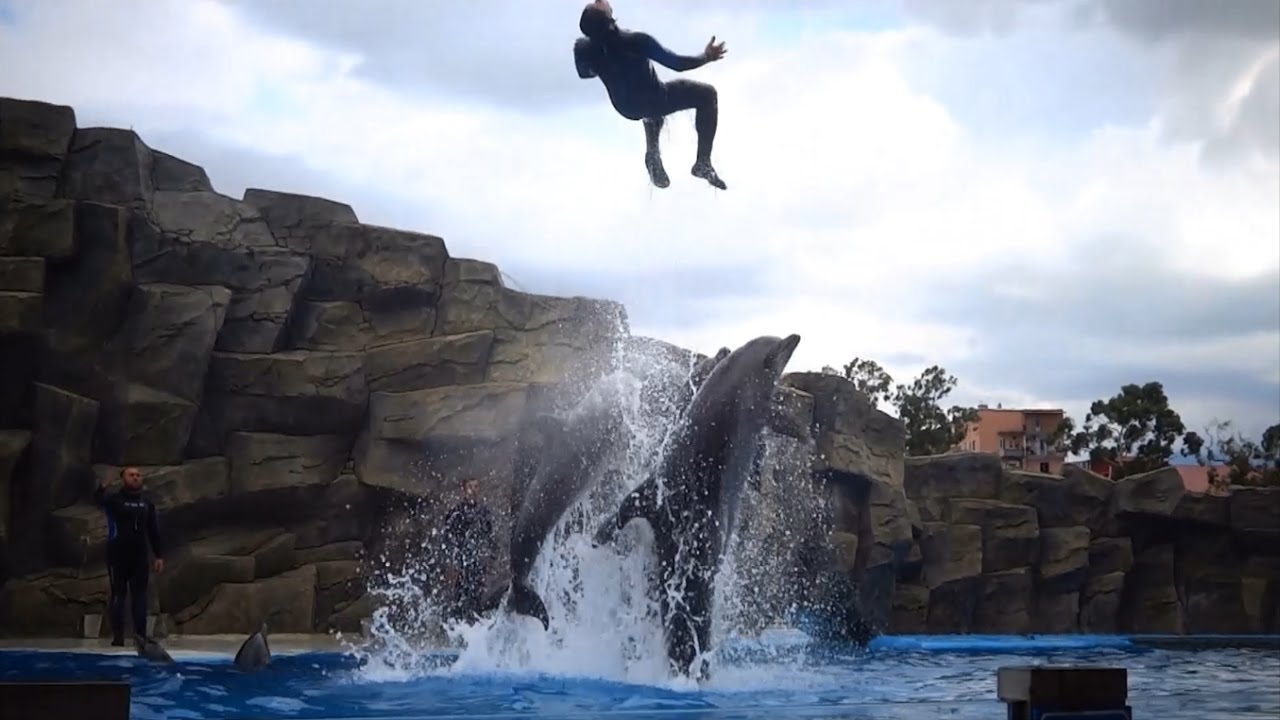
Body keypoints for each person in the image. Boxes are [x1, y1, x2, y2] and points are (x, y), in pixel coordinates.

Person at [573, 0, 729, 190]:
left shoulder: (584, 49)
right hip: (655, 99)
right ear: (609, 20)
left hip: (625, 107)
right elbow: (677, 63)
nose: (598, 0)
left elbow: (585, 73)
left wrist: (608, 66)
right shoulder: (635, 42)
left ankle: (653, 155)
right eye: (596, 4)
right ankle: (703, 162)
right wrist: (707, 57)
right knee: (707, 95)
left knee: (651, 112)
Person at [93, 467, 165, 646]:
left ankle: (140, 636)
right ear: (123, 479)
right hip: (117, 555)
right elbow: (97, 501)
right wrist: (102, 487)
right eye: (131, 475)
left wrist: (158, 555)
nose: (135, 477)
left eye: (138, 475)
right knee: (119, 595)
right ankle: (118, 636)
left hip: (140, 556)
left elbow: (153, 530)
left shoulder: (147, 503)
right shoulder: (114, 500)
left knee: (140, 596)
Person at [441, 478, 497, 622]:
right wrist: (450, 563)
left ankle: (476, 630)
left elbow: (491, 539)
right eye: (469, 487)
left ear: (479, 490)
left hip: (477, 563)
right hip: (460, 563)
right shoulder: (456, 513)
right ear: (464, 489)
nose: (472, 490)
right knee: (458, 598)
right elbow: (446, 540)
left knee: (478, 599)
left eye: (475, 487)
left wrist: (491, 559)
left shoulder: (484, 513)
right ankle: (457, 629)